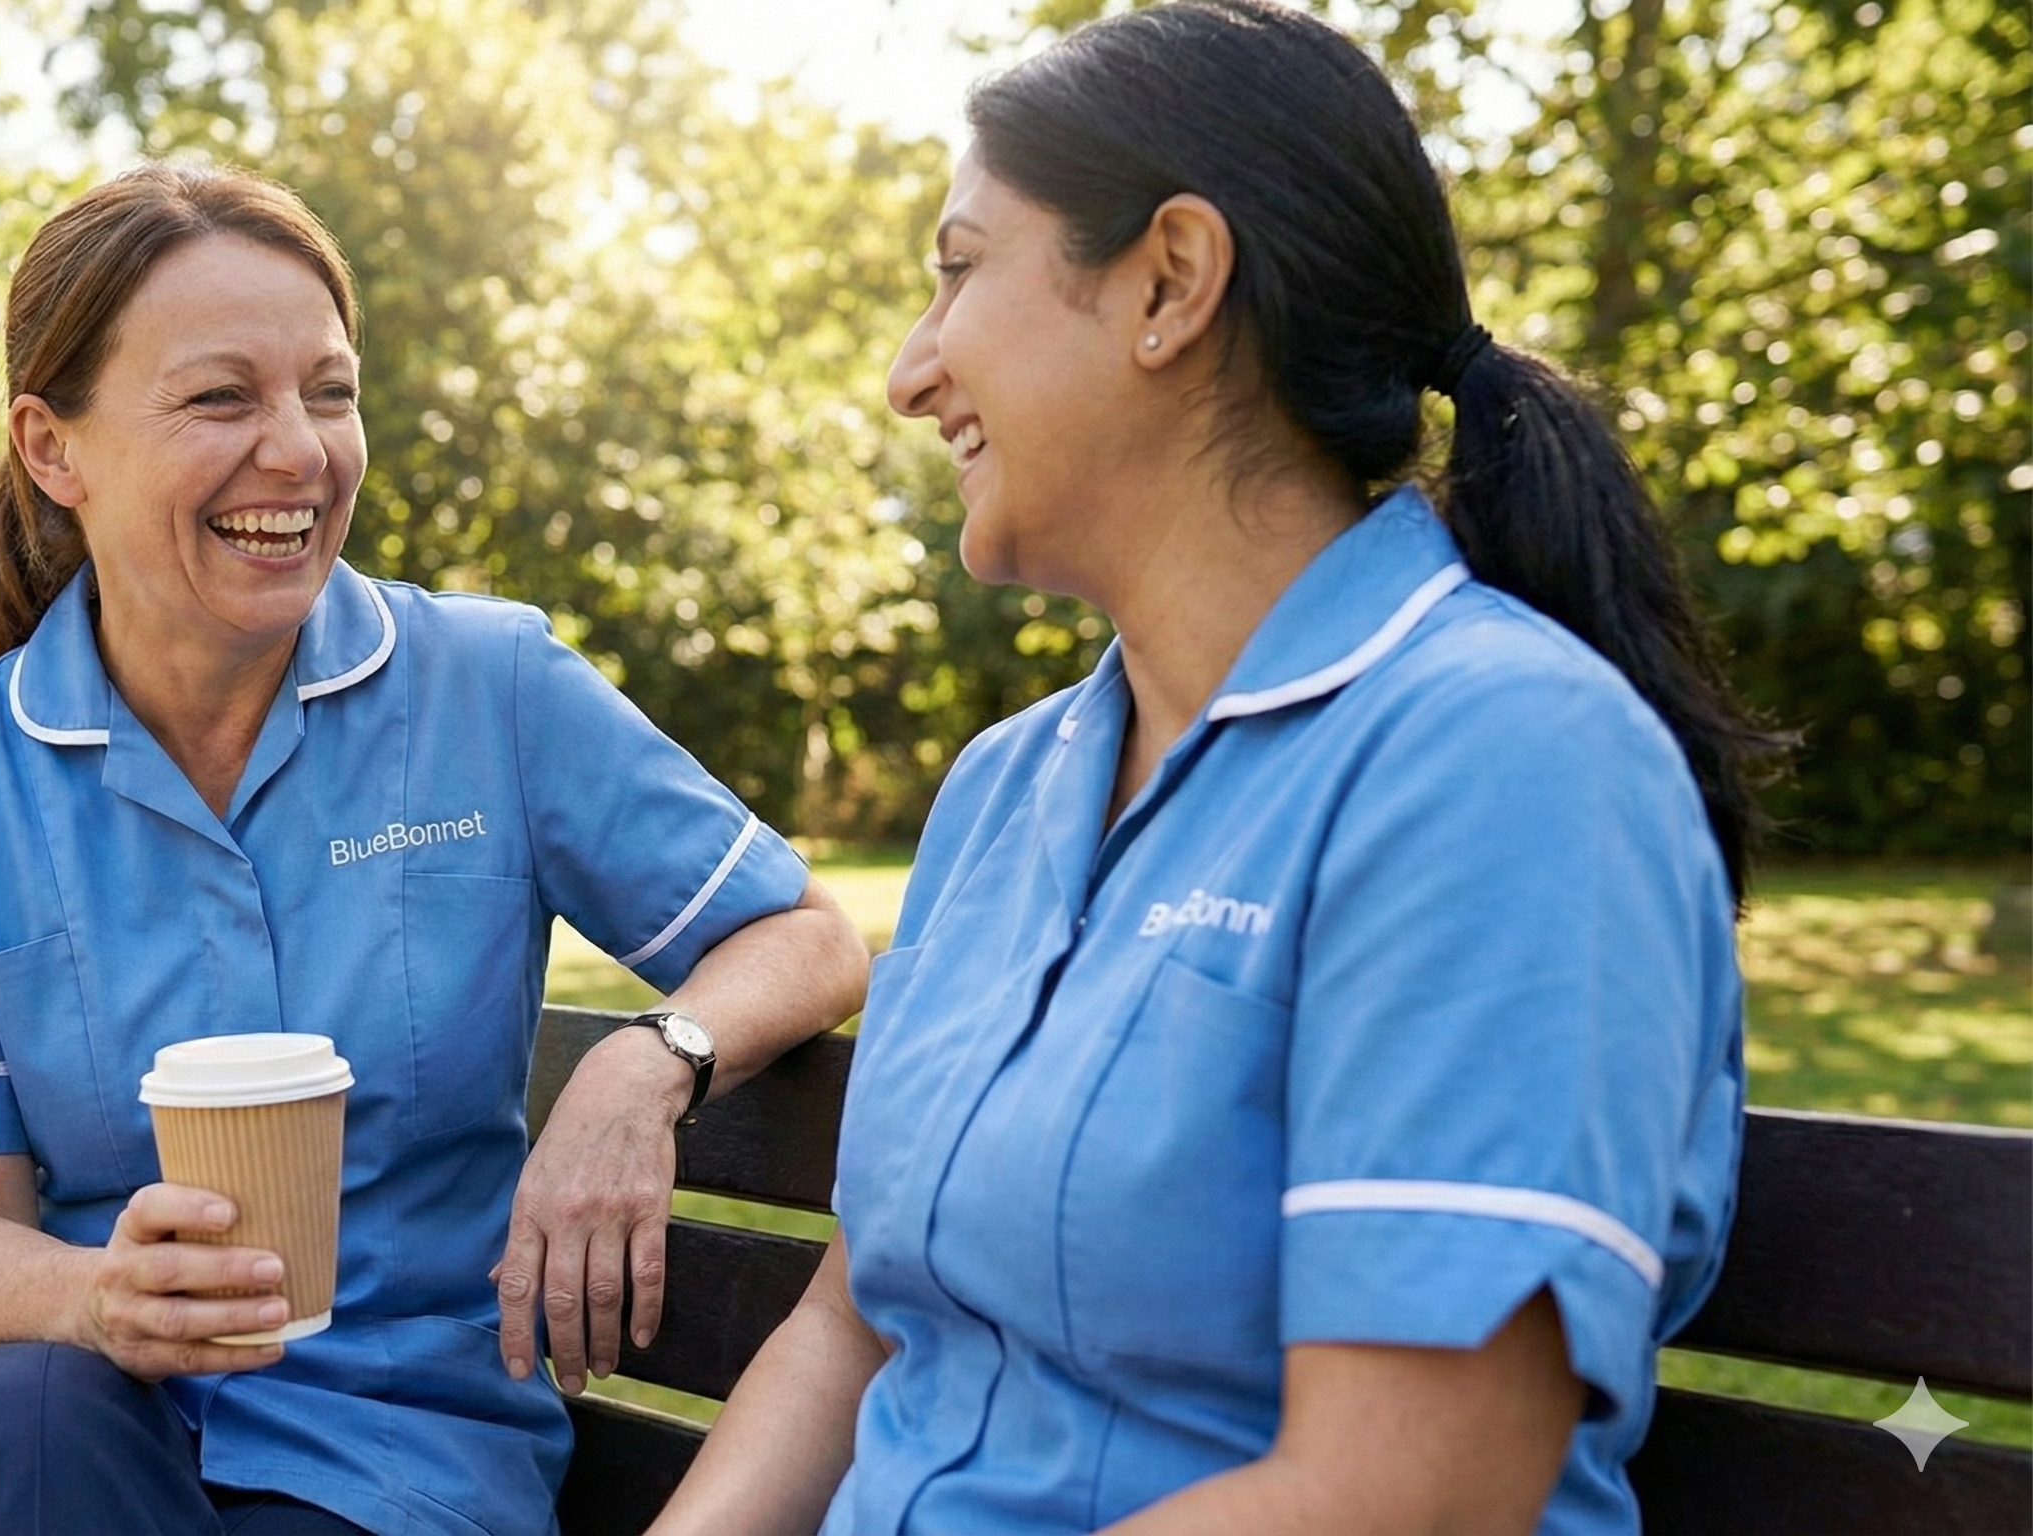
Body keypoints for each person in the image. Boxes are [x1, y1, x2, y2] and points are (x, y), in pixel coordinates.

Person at [648, 3, 1774, 1533]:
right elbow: (858, 1327)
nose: (912, 374)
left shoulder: (1504, 763)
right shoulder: (1001, 791)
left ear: (1170, 282)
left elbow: (1407, 1493)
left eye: (962, 270)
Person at [0, 161, 869, 1536]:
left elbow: (803, 931)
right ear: (52, 448)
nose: (301, 451)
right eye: (222, 397)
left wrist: (647, 1062)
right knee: (39, 1427)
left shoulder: (488, 687)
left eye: (329, 391)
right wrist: (96, 1299)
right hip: (44, 1420)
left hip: (387, 1455)